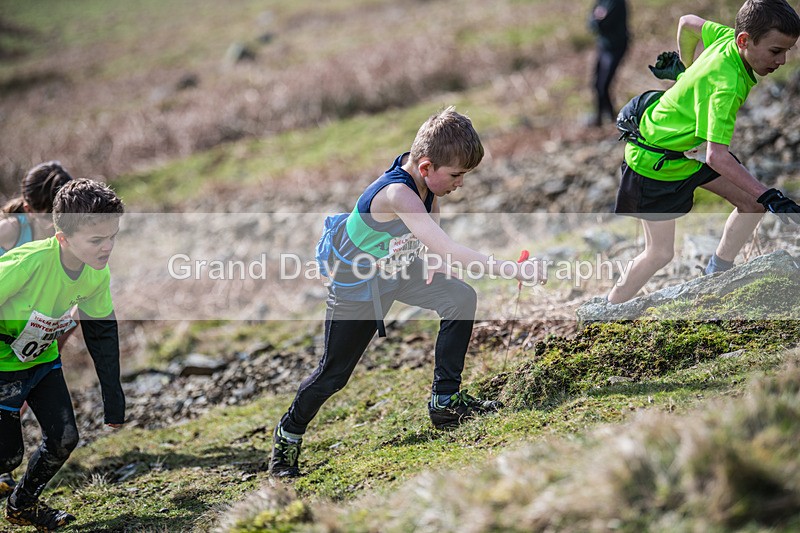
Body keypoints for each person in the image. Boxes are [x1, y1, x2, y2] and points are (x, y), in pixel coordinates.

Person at [268, 106, 547, 478]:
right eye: (457, 175)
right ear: (427, 166)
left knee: (460, 298)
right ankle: (287, 437)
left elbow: (433, 237)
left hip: (396, 270)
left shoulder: (425, 177)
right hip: (359, 287)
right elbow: (448, 248)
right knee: (333, 376)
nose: (460, 183)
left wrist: (431, 258)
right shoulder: (397, 193)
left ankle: (445, 402)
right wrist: (512, 269)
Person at [608, 0, 800, 304]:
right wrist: (771, 195)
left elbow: (687, 22)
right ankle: (609, 309)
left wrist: (684, 70)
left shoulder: (727, 38)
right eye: (776, 51)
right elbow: (717, 157)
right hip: (656, 161)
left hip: (689, 149)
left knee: (751, 204)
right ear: (745, 41)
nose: (783, 61)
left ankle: (716, 275)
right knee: (659, 253)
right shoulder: (727, 87)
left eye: (788, 51)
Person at [0, 179, 125, 531]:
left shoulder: (96, 275)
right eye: (97, 240)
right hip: (2, 367)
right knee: (7, 456)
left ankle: (21, 506)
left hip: (41, 362)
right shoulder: (30, 263)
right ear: (63, 238)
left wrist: (113, 400)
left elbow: (101, 332)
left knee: (64, 439)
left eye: (113, 236)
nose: (107, 248)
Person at [0, 161, 74, 501]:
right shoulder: (10, 231)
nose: (55, 223)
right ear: (29, 208)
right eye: (48, 216)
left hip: (34, 341)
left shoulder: (68, 239)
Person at [588, 0, 629, 127]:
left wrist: (598, 19)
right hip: (603, 46)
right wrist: (597, 19)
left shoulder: (617, 2)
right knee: (596, 84)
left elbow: (603, 23)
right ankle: (601, 117)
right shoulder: (602, 1)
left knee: (604, 85)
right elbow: (591, 22)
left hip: (616, 47)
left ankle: (612, 118)